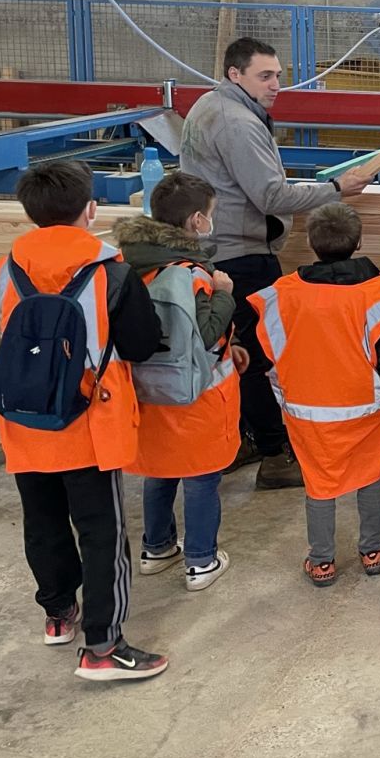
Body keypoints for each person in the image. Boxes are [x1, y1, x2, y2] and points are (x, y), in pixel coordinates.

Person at [0, 160, 167, 680]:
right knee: (101, 531)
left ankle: (58, 613)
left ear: (29, 212)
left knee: (41, 519)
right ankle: (103, 647)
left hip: (24, 414)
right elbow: (138, 343)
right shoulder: (111, 271)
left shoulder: (7, 267)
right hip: (91, 419)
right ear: (90, 210)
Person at [180, 36, 370, 490]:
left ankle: (240, 438)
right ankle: (275, 452)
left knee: (229, 351)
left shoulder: (209, 105)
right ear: (235, 74)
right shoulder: (237, 123)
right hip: (241, 256)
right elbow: (269, 195)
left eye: (279, 75)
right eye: (265, 76)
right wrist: (337, 189)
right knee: (259, 357)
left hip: (216, 249)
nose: (276, 84)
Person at [246, 204, 380, 587]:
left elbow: (267, 352)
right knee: (369, 475)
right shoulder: (378, 292)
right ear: (358, 242)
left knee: (319, 482)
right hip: (366, 406)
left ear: (310, 242)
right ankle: (372, 550)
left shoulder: (281, 294)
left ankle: (322, 560)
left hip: (306, 408)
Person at [117, 172, 244, 593]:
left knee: (159, 470)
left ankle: (157, 548)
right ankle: (201, 560)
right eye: (210, 214)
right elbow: (204, 335)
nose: (212, 220)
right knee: (201, 476)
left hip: (146, 392)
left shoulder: (129, 264)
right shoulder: (193, 274)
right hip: (196, 395)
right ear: (195, 221)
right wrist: (225, 293)